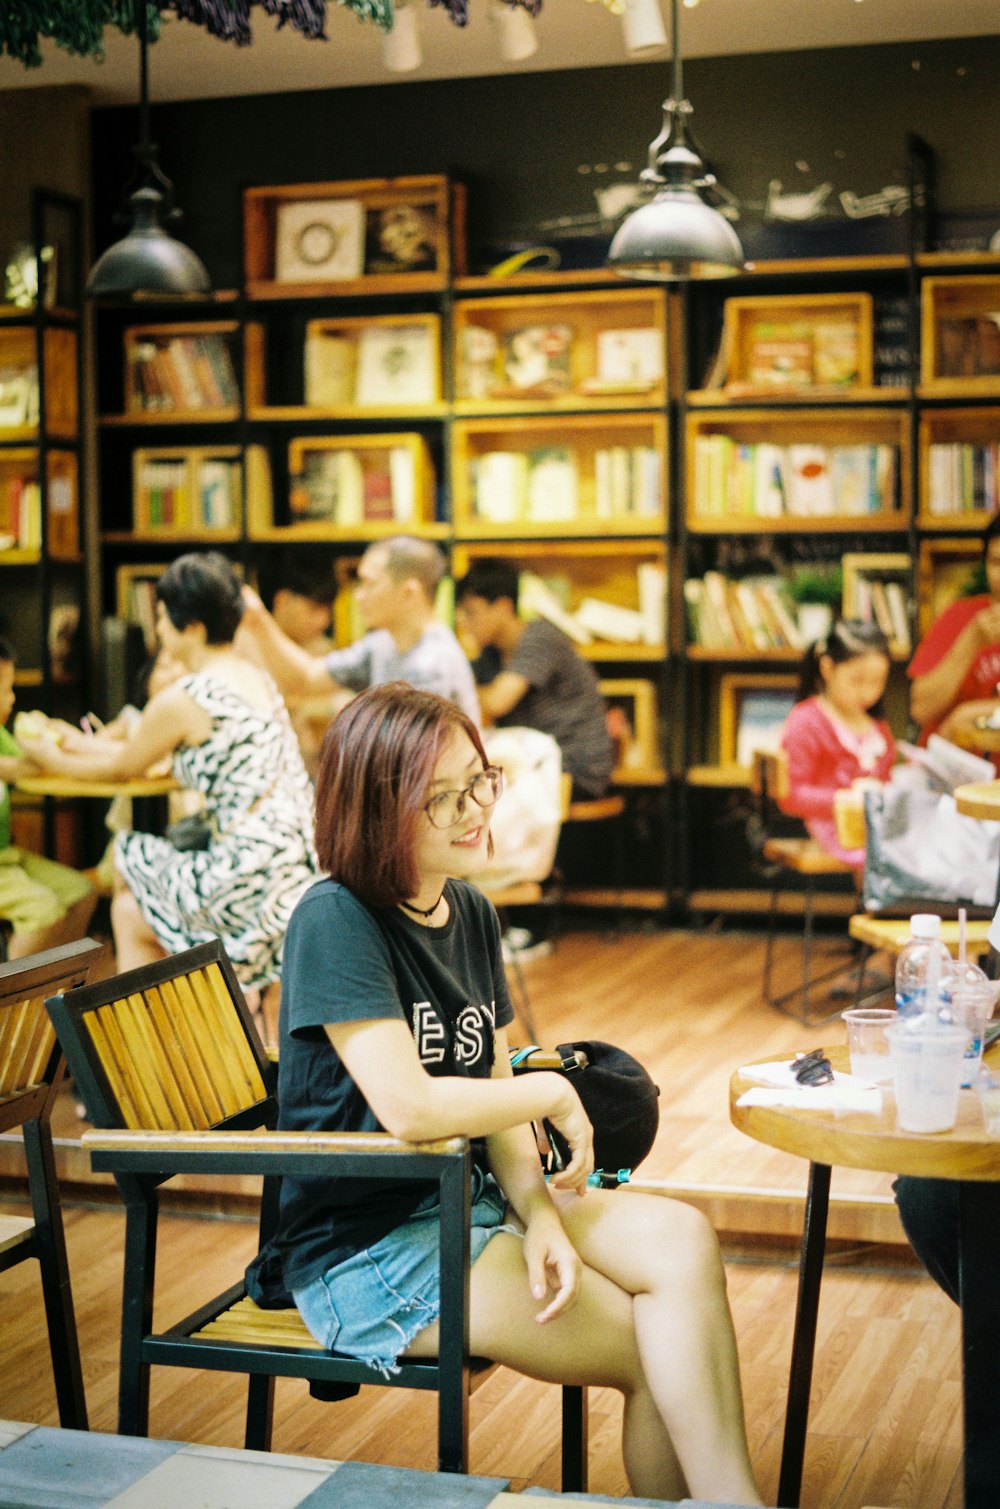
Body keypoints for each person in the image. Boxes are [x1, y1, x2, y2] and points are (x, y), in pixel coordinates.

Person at [250, 681, 762, 1505]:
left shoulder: (471, 910)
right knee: (651, 1349)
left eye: (477, 781)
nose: (473, 810)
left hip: (465, 1198)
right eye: (440, 798)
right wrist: (550, 1093)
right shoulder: (335, 915)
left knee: (684, 1241)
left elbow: (490, 1085)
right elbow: (412, 1108)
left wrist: (544, 1214)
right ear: (379, 810)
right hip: (367, 1248)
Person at [18, 553, 317, 990]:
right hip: (295, 868)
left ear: (191, 626)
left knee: (126, 857)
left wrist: (44, 752)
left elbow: (121, 769)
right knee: (135, 900)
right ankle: (182, 1014)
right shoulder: (255, 677)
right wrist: (70, 745)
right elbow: (136, 751)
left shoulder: (185, 697)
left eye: (161, 617)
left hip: (248, 879)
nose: (157, 629)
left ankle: (151, 1034)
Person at [238, 535, 480, 726]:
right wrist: (260, 621)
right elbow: (308, 678)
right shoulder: (382, 643)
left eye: (369, 584)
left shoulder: (433, 664)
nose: (358, 596)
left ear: (409, 592)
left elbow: (410, 763)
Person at [455, 559, 614, 800]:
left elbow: (497, 701)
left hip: (576, 769)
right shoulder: (491, 653)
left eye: (471, 613)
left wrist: (455, 685)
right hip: (539, 764)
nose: (465, 624)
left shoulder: (540, 638)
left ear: (503, 606)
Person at [0, 636, 97, 960]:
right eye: (4, 690)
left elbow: (33, 766)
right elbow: (17, 768)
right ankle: (10, 1002)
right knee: (43, 911)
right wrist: (44, 749)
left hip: (7, 857)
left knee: (81, 893)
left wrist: (48, 739)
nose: (11, 700)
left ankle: (54, 989)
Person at [779, 619, 896, 872]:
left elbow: (886, 780)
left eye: (878, 682)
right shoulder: (807, 721)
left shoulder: (878, 728)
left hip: (874, 827)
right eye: (857, 680)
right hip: (827, 827)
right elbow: (791, 793)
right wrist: (846, 799)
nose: (868, 692)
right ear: (828, 668)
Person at [909, 514, 1000, 752]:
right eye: (997, 563)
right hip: (948, 777)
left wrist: (967, 714)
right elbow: (920, 708)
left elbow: (963, 719)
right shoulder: (960, 616)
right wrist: (971, 640)